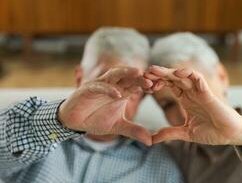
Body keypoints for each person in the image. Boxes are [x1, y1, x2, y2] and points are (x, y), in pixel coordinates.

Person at [0, 28, 183, 183]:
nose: (117, 96)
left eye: (132, 86)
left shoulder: (161, 164)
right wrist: (60, 120)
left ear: (143, 95)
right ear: (80, 78)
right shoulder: (31, 134)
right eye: (106, 81)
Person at [144, 32, 242, 183]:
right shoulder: (178, 153)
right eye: (167, 105)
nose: (185, 113)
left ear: (221, 76)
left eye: (191, 92)